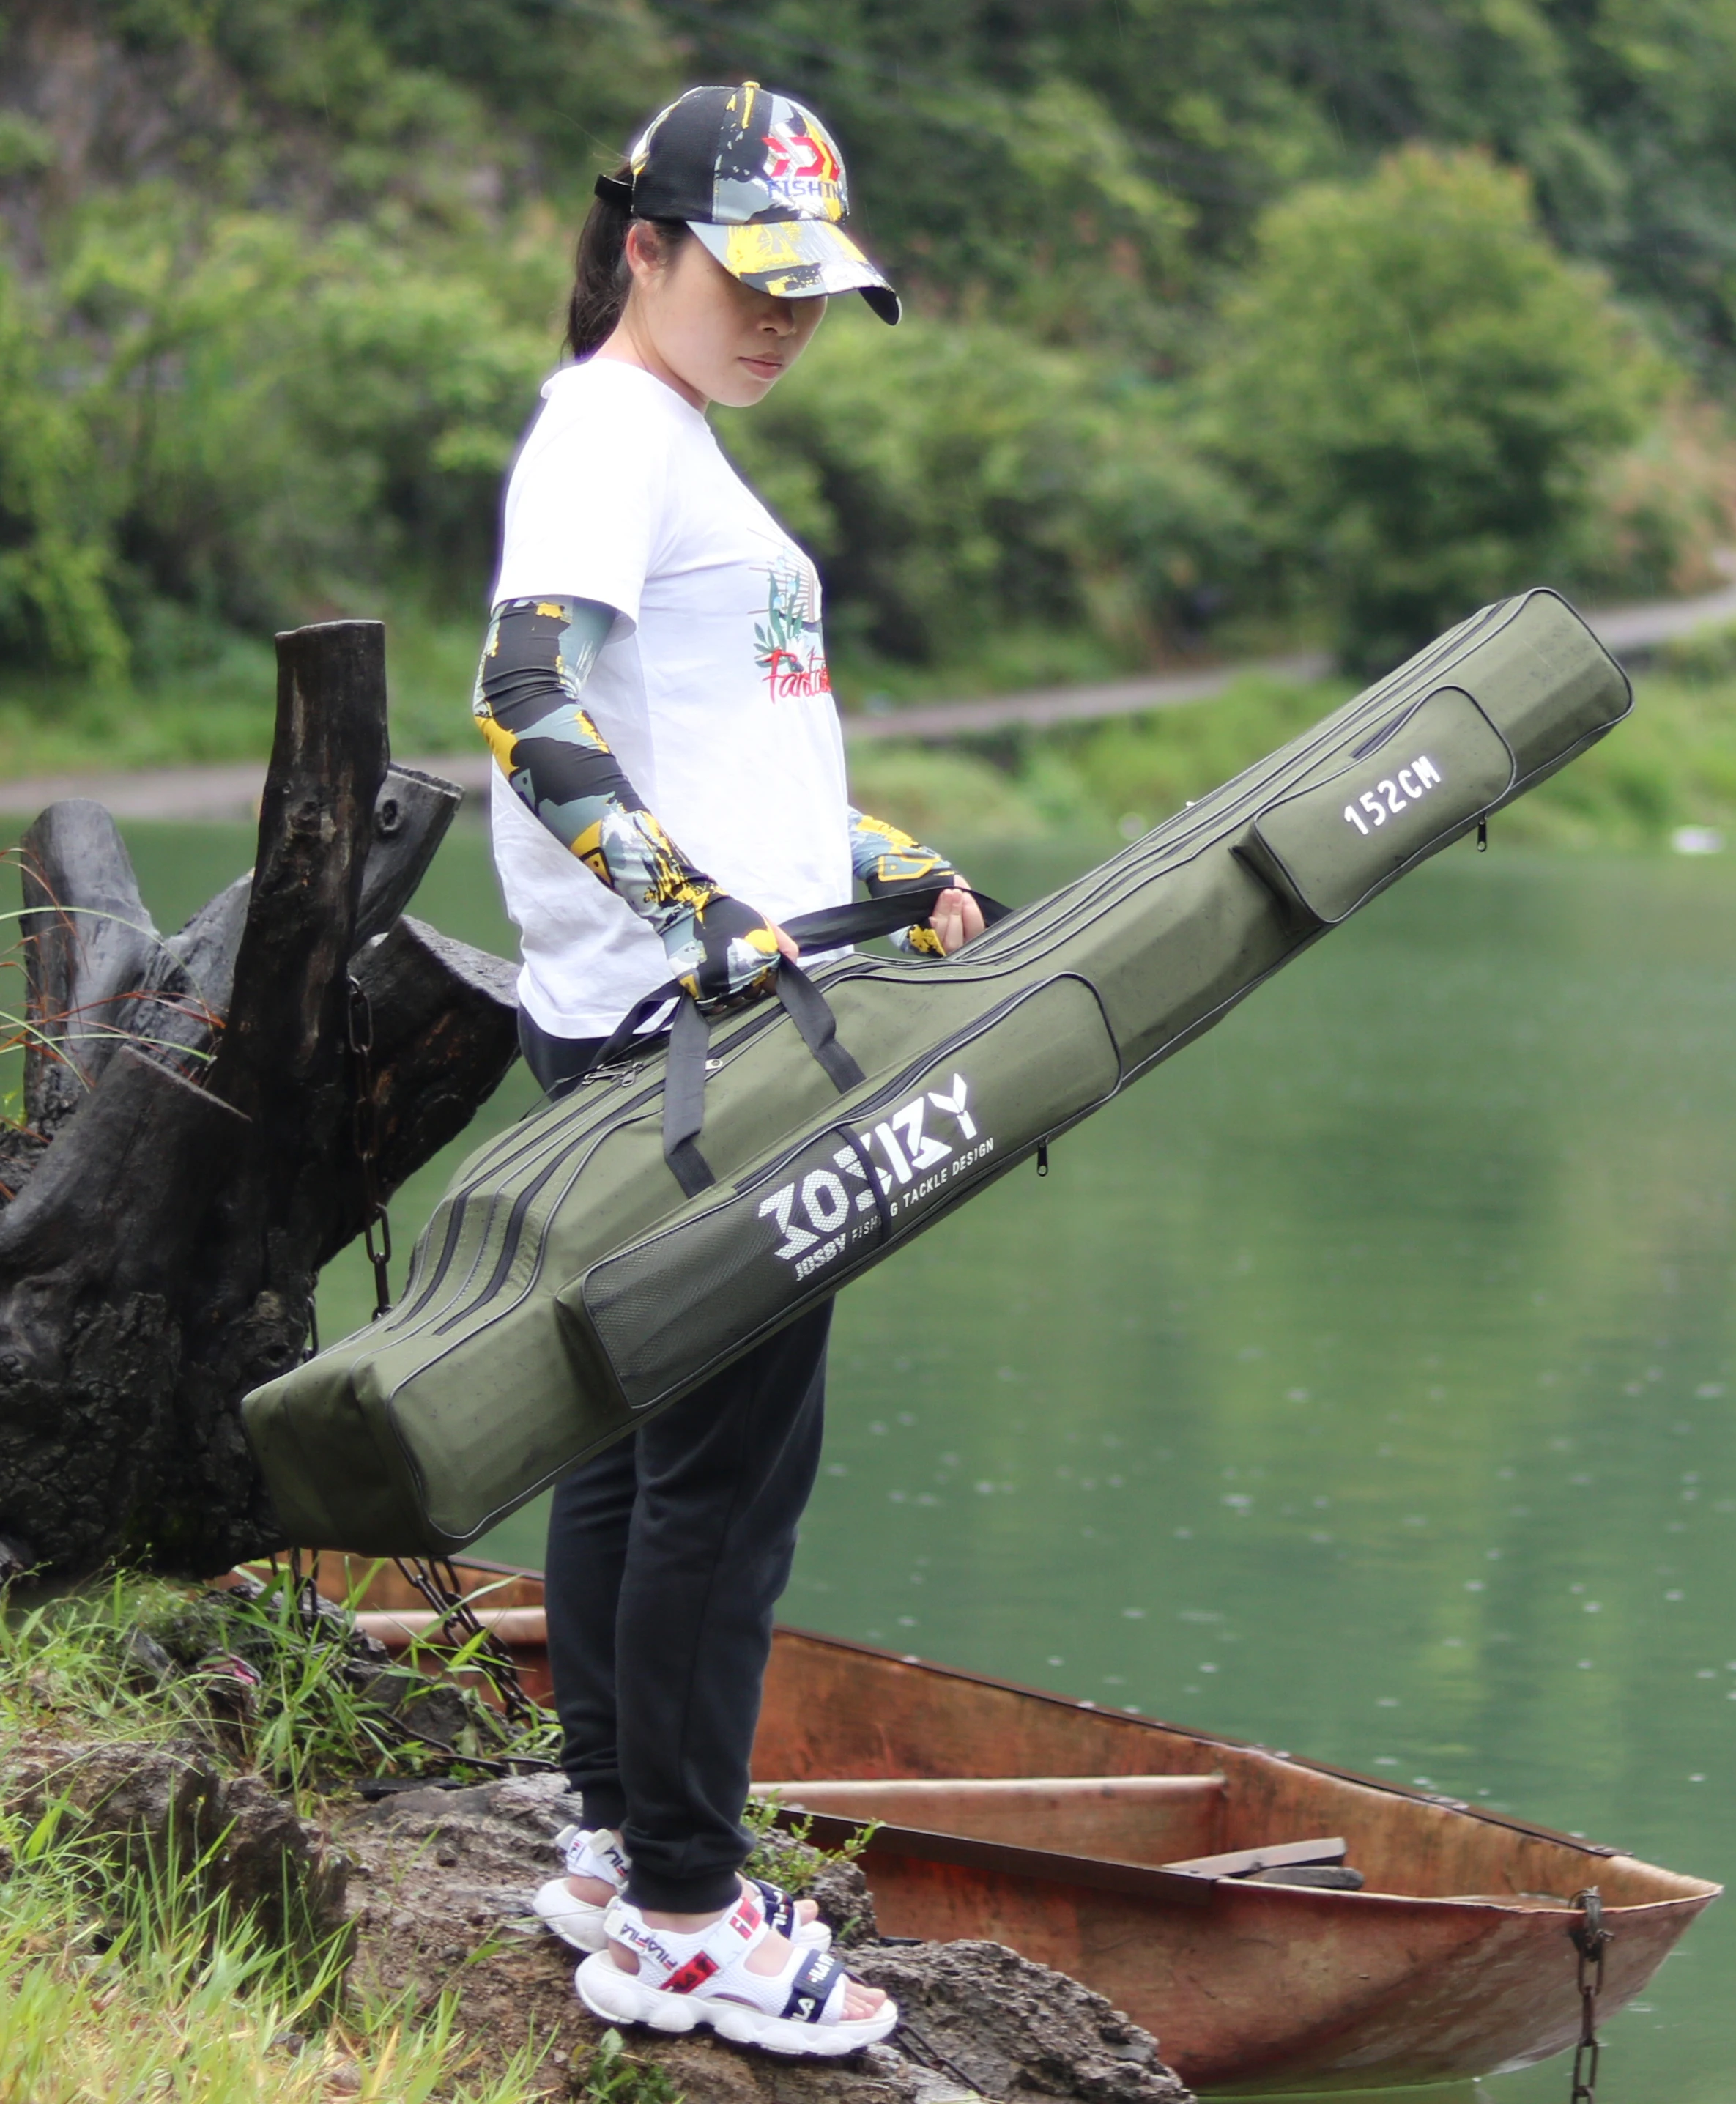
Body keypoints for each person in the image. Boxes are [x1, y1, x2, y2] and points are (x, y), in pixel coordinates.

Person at [473, 81, 982, 2051]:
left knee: (637, 1439)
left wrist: (874, 867)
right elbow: (528, 698)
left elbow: (715, 753)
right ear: (649, 246)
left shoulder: (670, 442)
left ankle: (616, 1841)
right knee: (727, 1476)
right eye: (749, 276)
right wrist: (696, 920)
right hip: (690, 1034)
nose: (782, 318)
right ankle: (686, 1911)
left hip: (710, 998)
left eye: (813, 289)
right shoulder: (611, 429)